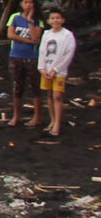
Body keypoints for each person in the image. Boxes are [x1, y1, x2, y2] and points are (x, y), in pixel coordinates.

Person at [6, 0, 45, 128]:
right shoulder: (15, 17)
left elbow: (36, 37)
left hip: (32, 57)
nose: (28, 5)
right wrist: (28, 41)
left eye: (31, 3)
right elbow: (10, 35)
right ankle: (17, 115)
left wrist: (29, 21)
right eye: (26, 2)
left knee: (35, 87)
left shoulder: (38, 21)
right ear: (21, 4)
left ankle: (37, 116)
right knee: (17, 86)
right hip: (16, 55)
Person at [37, 7, 76, 137]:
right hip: (46, 69)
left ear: (63, 20)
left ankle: (58, 124)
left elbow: (68, 55)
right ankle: (52, 120)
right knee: (49, 95)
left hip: (59, 71)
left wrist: (56, 69)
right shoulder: (47, 34)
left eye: (58, 18)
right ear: (49, 21)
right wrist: (41, 68)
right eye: (53, 18)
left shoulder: (67, 35)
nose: (55, 20)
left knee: (57, 96)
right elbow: (42, 51)